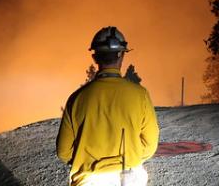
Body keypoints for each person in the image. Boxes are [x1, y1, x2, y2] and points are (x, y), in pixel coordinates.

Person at [57, 26, 159, 186]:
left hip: (89, 179)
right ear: (121, 55)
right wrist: (130, 156)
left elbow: (64, 152)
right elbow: (150, 146)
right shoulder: (140, 95)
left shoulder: (77, 99)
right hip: (128, 177)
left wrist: (83, 159)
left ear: (95, 57)